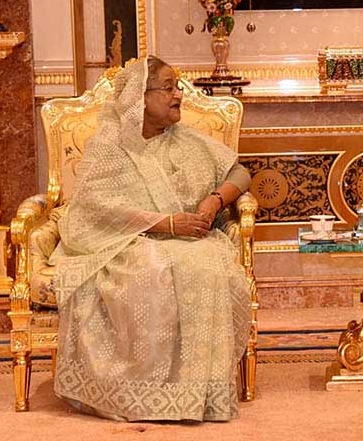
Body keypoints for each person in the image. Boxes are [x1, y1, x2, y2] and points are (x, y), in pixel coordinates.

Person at [49, 56, 253, 421]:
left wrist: (214, 199)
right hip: (123, 242)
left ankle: (197, 392)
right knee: (150, 269)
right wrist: (165, 224)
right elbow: (96, 208)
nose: (179, 95)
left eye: (178, 87)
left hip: (191, 236)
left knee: (207, 266)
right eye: (169, 87)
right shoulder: (110, 147)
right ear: (139, 98)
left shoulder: (187, 140)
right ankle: (134, 391)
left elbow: (240, 172)